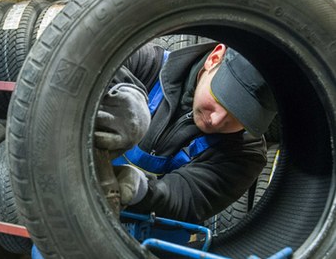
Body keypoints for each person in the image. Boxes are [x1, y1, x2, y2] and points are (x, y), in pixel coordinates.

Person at [94, 40, 277, 224]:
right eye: (221, 99)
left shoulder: (246, 153)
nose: (216, 120)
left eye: (240, 117)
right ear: (214, 58)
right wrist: (116, 102)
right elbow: (87, 68)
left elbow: (185, 198)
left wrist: (139, 189)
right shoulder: (145, 63)